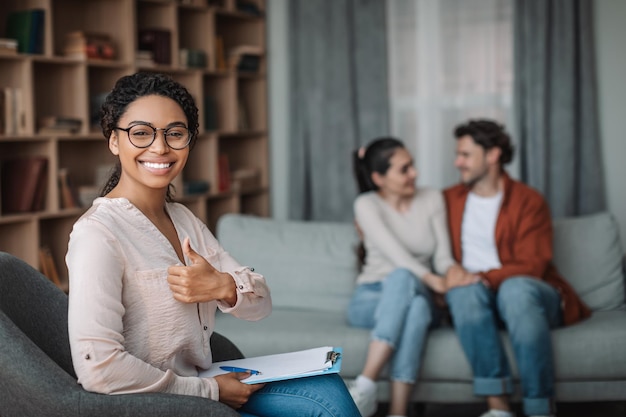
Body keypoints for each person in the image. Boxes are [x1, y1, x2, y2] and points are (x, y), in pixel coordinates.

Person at [66, 72, 360, 417]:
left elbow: (261, 304)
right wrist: (209, 391)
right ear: (114, 141)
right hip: (156, 401)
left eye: (174, 134)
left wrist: (223, 286)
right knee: (323, 409)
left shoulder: (182, 219)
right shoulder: (97, 234)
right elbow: (98, 367)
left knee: (327, 385)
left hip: (202, 380)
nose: (160, 148)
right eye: (141, 133)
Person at [442, 119, 591, 417]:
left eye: (466, 155)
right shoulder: (448, 200)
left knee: (515, 289)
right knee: (463, 293)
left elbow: (532, 265)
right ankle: (498, 408)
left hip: (528, 295)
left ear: (493, 155)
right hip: (477, 301)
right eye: (457, 154)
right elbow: (403, 219)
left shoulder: (528, 201)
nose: (457, 162)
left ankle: (540, 409)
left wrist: (481, 278)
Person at [347, 137, 456, 417]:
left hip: (417, 289)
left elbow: (443, 257)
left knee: (408, 286)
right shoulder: (366, 204)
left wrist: (453, 273)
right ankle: (398, 412)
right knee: (408, 289)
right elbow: (398, 257)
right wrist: (433, 281)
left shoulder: (432, 198)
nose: (414, 174)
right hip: (370, 297)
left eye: (413, 165)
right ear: (378, 178)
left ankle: (365, 383)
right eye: (404, 169)